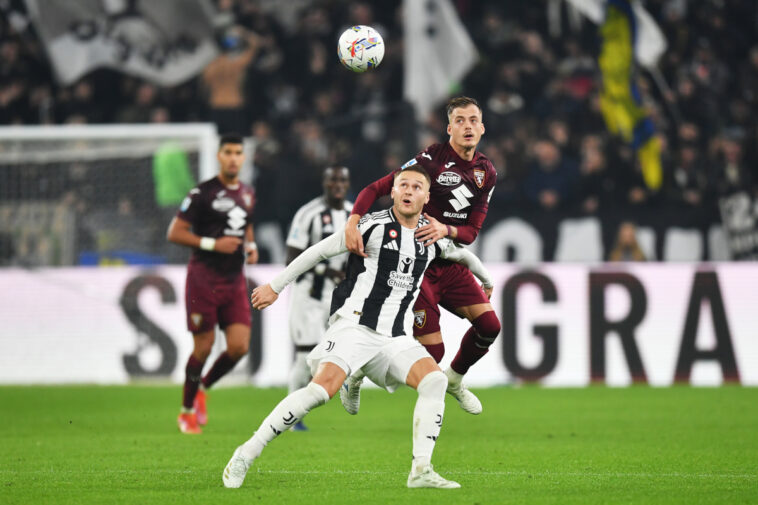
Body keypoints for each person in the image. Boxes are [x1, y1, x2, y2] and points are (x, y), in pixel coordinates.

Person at [222, 166, 493, 490]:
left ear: (427, 196)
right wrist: (275, 286)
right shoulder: (372, 226)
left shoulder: (432, 236)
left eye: (416, 186)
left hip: (394, 338)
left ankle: (421, 469)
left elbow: (462, 255)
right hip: (354, 327)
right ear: (392, 192)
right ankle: (246, 453)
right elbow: (318, 251)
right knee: (320, 392)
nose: (408, 190)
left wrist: (486, 279)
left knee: (434, 381)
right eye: (402, 185)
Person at [342, 96, 500, 415]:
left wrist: (446, 230)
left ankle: (454, 381)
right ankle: (356, 373)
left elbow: (470, 232)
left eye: (473, 120)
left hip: (451, 261)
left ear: (482, 127)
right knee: (433, 352)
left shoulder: (486, 172)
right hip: (416, 264)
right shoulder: (431, 159)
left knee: (489, 326)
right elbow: (375, 189)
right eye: (459, 120)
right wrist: (353, 221)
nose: (467, 126)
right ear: (449, 128)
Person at [167, 133, 259, 434]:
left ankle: (203, 388)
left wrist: (251, 244)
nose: (233, 158)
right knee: (203, 348)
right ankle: (186, 411)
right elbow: (176, 232)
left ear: (243, 158)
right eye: (228, 152)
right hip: (203, 279)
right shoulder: (201, 193)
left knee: (239, 347)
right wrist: (212, 243)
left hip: (233, 281)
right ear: (219, 156)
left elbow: (245, 223)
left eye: (238, 153)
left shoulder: (247, 193)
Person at [284, 165, 352, 431]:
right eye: (333, 179)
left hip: (338, 300)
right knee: (304, 356)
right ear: (324, 183)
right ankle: (292, 416)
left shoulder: (352, 213)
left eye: (342, 180)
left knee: (341, 352)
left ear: (347, 184)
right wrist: (327, 269)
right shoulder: (308, 214)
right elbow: (291, 258)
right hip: (308, 297)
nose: (337, 184)